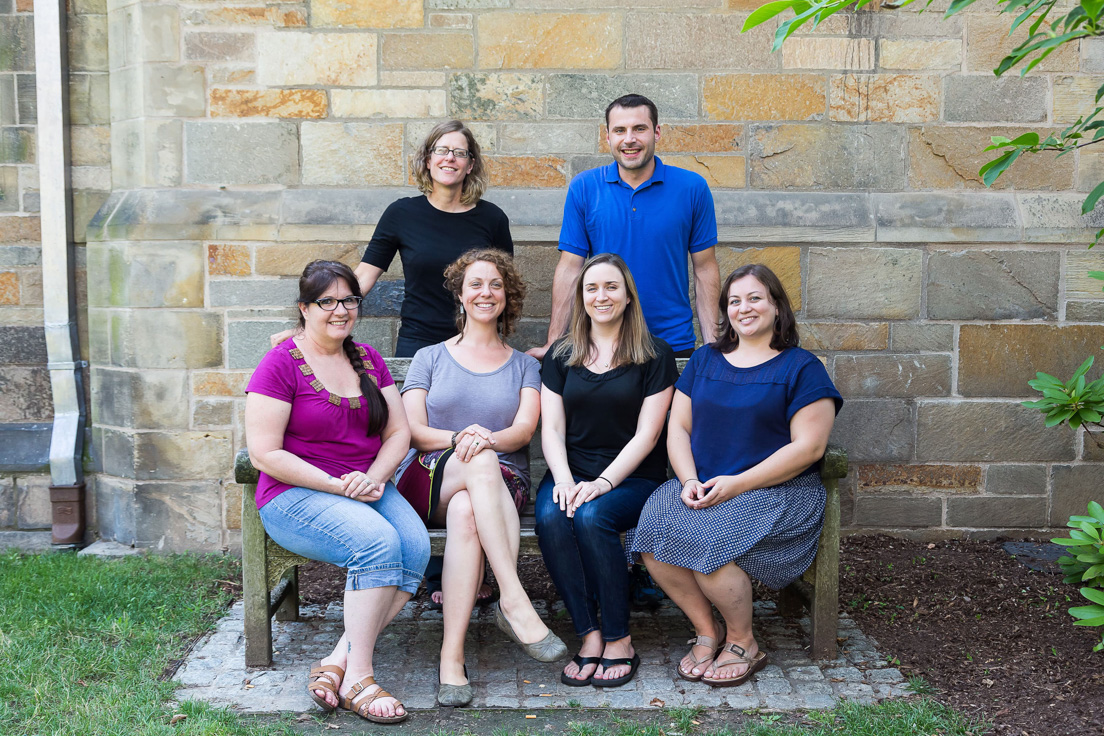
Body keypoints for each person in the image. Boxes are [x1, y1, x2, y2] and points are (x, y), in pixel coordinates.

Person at [270, 120, 513, 608]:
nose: (449, 158)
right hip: (421, 347)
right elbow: (360, 278)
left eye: (460, 152)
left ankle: (470, 571)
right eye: (440, 151)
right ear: (427, 161)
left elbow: (498, 284)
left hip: (476, 346)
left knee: (471, 447)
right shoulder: (402, 213)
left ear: (471, 164)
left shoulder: (490, 218)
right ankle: (435, 570)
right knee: (422, 442)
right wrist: (308, 329)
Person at [631, 264, 843, 688]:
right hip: (704, 483)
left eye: (754, 298)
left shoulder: (801, 367)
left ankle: (744, 640)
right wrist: (688, 479)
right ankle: (708, 631)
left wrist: (737, 483)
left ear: (776, 306)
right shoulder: (706, 359)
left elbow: (810, 448)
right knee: (651, 530)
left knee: (708, 540)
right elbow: (679, 427)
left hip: (778, 491)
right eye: (734, 301)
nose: (743, 308)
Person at [245, 260, 430, 723]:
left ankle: (336, 661)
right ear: (305, 308)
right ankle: (360, 680)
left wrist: (376, 478)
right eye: (327, 301)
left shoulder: (367, 357)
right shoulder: (280, 364)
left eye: (349, 300)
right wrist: (336, 485)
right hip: (297, 493)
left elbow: (398, 433)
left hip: (364, 485)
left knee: (415, 546)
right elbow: (264, 453)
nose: (340, 310)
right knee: (377, 544)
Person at [397, 249, 568, 707]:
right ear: (459, 293)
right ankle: (513, 599)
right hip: (429, 475)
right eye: (475, 283)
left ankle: (451, 661)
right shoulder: (429, 357)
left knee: (467, 511)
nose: (485, 292)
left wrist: (485, 441)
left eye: (495, 284)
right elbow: (413, 430)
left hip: (498, 484)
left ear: (507, 296)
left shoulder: (525, 365)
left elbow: (523, 430)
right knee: (478, 464)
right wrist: (463, 436)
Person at [535, 254, 677, 688]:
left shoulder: (654, 355)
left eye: (611, 287)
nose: (602, 296)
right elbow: (552, 428)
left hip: (632, 477)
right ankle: (589, 634)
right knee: (552, 516)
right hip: (570, 471)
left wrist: (602, 483)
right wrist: (563, 480)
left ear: (628, 295)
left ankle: (619, 638)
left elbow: (647, 436)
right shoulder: (561, 355)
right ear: (581, 297)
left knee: (595, 516)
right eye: (592, 288)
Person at [528, 93, 720, 362]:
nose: (629, 139)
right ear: (608, 136)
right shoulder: (584, 188)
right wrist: (553, 341)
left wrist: (712, 345)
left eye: (639, 129)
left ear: (657, 132)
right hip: (602, 344)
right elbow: (570, 267)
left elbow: (705, 268)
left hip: (672, 343)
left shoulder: (692, 188)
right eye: (620, 130)